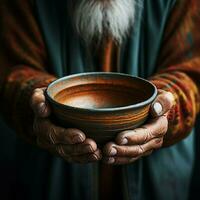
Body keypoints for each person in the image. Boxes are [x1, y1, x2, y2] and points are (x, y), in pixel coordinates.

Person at [0, 0, 199, 200]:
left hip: (159, 183)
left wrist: (165, 106)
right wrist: (37, 101)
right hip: (47, 182)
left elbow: (190, 71)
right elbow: (11, 70)